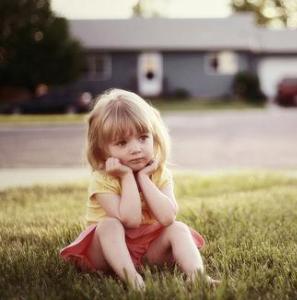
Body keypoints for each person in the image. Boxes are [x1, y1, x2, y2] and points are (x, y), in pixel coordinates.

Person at [60, 88, 218, 290]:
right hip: (109, 254)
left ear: (154, 136)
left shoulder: (159, 173)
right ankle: (132, 279)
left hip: (147, 250)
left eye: (143, 138)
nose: (136, 149)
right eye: (122, 143)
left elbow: (168, 217)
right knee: (109, 225)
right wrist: (126, 176)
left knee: (178, 228)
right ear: (103, 149)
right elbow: (131, 220)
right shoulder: (103, 179)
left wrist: (144, 178)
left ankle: (197, 277)